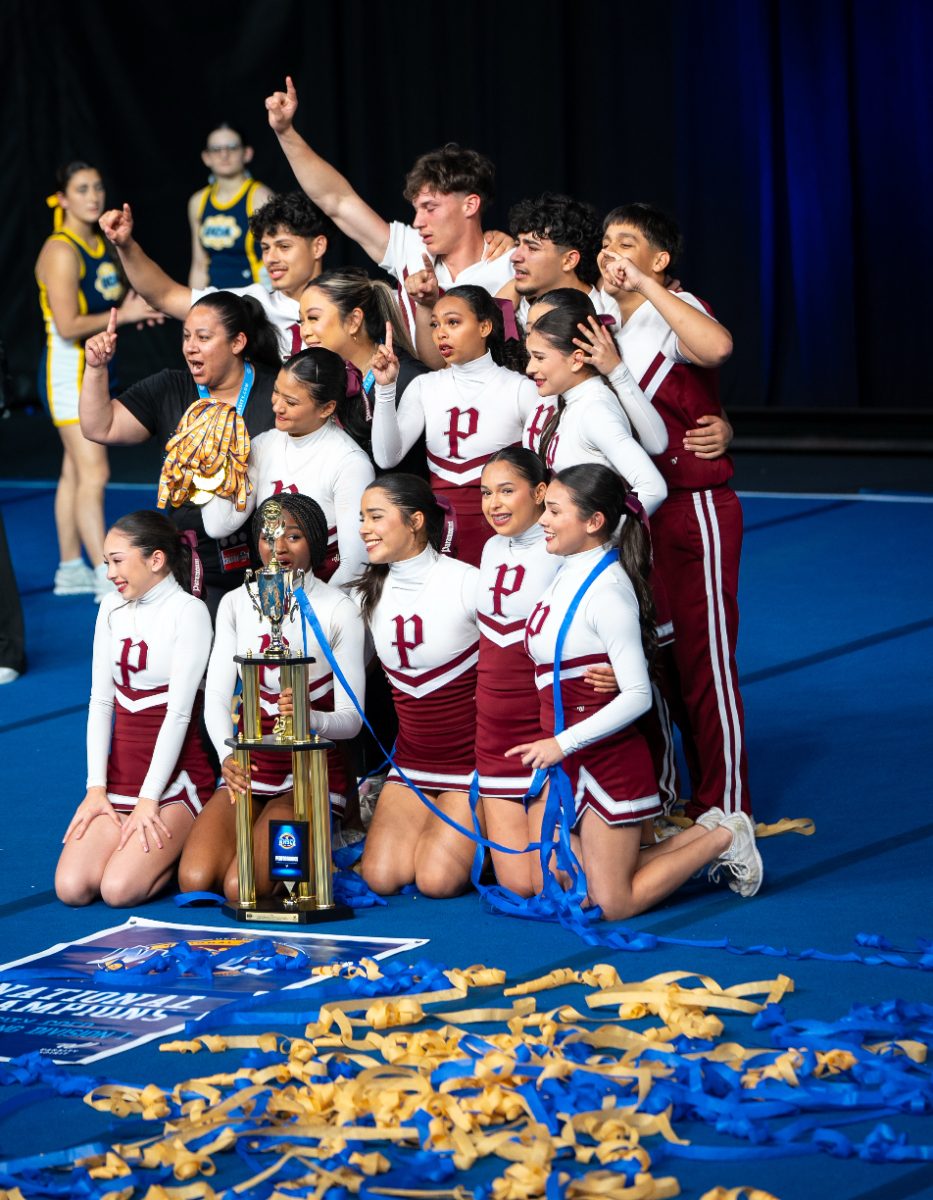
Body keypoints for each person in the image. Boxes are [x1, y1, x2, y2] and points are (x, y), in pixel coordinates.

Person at [508, 465, 761, 919]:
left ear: (593, 522)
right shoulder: (565, 568)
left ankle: (727, 836)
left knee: (613, 902)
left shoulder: (608, 591)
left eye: (553, 511)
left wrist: (561, 742)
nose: (542, 519)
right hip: (566, 756)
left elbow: (638, 696)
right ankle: (708, 830)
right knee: (564, 880)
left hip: (605, 761)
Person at [598, 203, 750, 821]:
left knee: (705, 665)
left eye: (627, 243)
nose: (612, 253)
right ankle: (662, 801)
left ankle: (727, 808)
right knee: (650, 664)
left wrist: (650, 287)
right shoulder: (598, 319)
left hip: (694, 510)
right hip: (631, 518)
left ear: (659, 260)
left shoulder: (679, 310)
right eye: (605, 242)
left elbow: (717, 348)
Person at [180, 493, 366, 903]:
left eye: (293, 536)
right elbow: (215, 696)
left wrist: (309, 719)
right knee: (194, 878)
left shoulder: (339, 609)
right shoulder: (234, 603)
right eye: (268, 536)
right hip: (251, 767)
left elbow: (352, 719)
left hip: (312, 773)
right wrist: (227, 758)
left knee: (240, 888)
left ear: (315, 542)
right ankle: (267, 823)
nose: (278, 548)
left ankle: (333, 827)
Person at [79, 291, 281, 618]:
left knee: (267, 664)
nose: (190, 347)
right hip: (194, 566)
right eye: (186, 336)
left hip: (265, 563)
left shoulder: (277, 391)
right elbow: (100, 427)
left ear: (238, 342)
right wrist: (96, 369)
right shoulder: (169, 388)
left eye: (203, 337)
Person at [264, 77, 514, 341]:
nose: (417, 222)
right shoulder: (410, 248)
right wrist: (285, 132)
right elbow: (336, 200)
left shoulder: (511, 264)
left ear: (470, 205)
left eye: (430, 207)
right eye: (416, 209)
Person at [54, 512, 215, 907]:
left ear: (155, 559)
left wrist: (148, 800)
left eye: (117, 560)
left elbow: (178, 715)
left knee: (118, 890)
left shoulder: (189, 612)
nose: (109, 572)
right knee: (72, 889)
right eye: (107, 562)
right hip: (120, 778)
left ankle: (186, 838)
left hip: (175, 783)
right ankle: (141, 842)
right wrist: (96, 789)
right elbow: (100, 701)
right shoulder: (110, 607)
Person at [35, 161, 157, 601]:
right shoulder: (61, 250)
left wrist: (135, 307)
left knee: (74, 471)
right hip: (68, 373)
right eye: (81, 189)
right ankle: (110, 579)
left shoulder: (97, 243)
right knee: (94, 472)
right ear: (62, 198)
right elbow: (68, 325)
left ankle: (70, 568)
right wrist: (127, 314)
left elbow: (108, 305)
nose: (93, 196)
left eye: (98, 187)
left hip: (95, 369)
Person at [355, 475, 480, 897]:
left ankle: (501, 832)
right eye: (361, 519)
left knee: (437, 881)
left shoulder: (467, 581)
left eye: (375, 517)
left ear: (416, 521)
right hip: (412, 764)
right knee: (380, 877)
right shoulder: (368, 594)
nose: (364, 528)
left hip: (472, 765)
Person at [370, 285, 540, 566]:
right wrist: (385, 388)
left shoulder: (520, 388)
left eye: (453, 322)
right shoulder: (425, 386)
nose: (441, 333)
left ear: (485, 326)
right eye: (435, 324)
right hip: (439, 530)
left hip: (503, 526)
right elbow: (387, 457)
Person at [199, 347, 375, 589]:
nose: (277, 407)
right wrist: (217, 465)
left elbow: (356, 564)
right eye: (276, 392)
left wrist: (314, 610)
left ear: (326, 408)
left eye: (290, 402)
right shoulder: (263, 445)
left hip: (328, 598)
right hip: (274, 592)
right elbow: (219, 525)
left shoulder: (350, 462)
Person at [101, 192, 332, 358]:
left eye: (283, 246)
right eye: (265, 248)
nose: (271, 258)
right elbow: (164, 296)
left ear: (318, 247)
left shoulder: (348, 302)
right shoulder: (254, 303)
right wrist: (126, 245)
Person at [522, 292, 668, 517]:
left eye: (539, 357)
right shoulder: (568, 399)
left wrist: (606, 532)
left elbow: (653, 487)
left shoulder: (594, 409)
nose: (529, 369)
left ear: (577, 357)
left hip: (590, 549)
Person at [299, 267, 428, 474]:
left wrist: (385, 390)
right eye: (301, 321)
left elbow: (386, 460)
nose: (304, 332)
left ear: (353, 321)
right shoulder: (324, 377)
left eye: (313, 318)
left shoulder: (411, 378)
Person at [496, 193, 616, 327]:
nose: (514, 257)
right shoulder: (511, 308)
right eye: (518, 244)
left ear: (569, 260)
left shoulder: (601, 320)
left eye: (532, 248)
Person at [188, 123, 273, 289]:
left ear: (247, 153)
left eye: (232, 147)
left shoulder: (261, 198)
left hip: (254, 297)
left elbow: (279, 258)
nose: (224, 155)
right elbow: (199, 265)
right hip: (214, 300)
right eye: (216, 149)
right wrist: (193, 308)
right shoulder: (198, 201)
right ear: (206, 157)